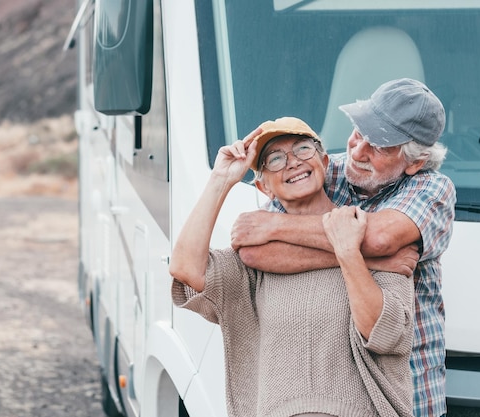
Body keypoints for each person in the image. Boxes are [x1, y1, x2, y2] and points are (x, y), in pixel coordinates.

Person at [231, 79, 456, 417]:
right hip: (341, 394)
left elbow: (379, 238)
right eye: (358, 131)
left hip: (409, 395)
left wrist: (276, 225)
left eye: (379, 146)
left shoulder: (433, 188)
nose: (358, 150)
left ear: (415, 162)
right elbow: (255, 253)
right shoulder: (326, 168)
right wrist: (376, 257)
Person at [169, 116, 417, 417]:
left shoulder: (371, 236)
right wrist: (221, 179)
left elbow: (387, 333)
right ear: (263, 187)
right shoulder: (254, 259)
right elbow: (185, 269)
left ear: (324, 162)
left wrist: (350, 251)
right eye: (275, 158)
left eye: (302, 149)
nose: (292, 162)